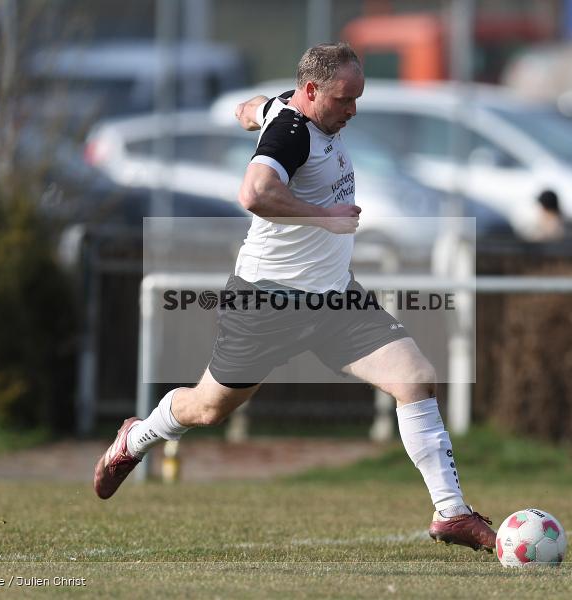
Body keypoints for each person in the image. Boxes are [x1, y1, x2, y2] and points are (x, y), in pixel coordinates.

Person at [93, 42, 496, 553]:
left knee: (416, 378)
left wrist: (250, 113)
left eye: (358, 98)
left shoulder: (287, 108)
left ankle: (451, 513)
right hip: (268, 302)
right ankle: (136, 438)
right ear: (311, 91)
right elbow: (255, 193)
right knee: (208, 408)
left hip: (334, 299)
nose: (353, 110)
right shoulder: (291, 132)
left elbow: (251, 108)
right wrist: (325, 215)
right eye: (345, 99)